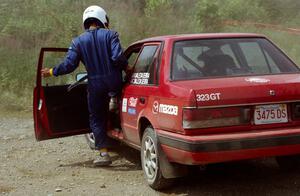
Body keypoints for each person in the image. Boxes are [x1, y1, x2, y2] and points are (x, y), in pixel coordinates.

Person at [41, 5, 128, 166]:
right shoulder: (111, 35)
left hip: (95, 85)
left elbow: (69, 65)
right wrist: (127, 67)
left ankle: (103, 154)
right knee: (118, 98)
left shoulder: (78, 41)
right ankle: (114, 99)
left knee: (96, 118)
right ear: (102, 19)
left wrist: (52, 71)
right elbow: (117, 58)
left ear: (86, 22)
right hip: (114, 82)